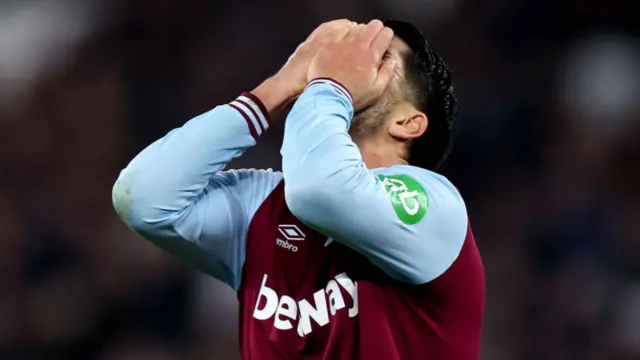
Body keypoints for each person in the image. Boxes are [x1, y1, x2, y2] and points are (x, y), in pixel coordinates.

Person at [112, 18, 485, 359]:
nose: (346, 59)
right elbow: (144, 198)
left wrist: (331, 86)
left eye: (380, 56)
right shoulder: (264, 207)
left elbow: (321, 190)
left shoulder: (435, 207)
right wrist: (279, 87)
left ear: (407, 122)